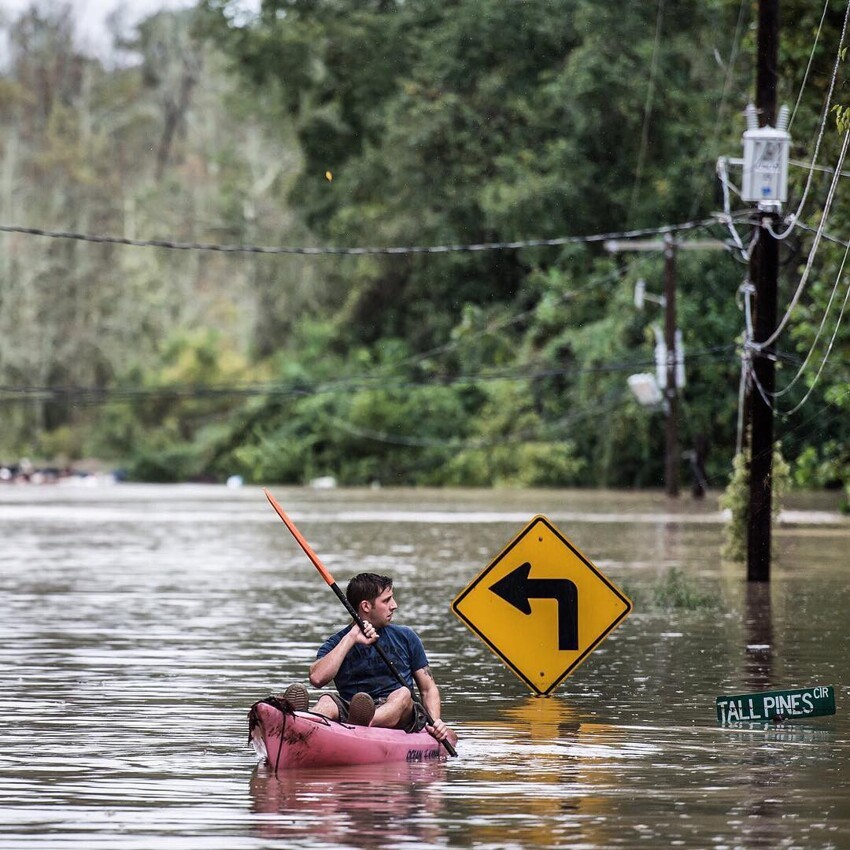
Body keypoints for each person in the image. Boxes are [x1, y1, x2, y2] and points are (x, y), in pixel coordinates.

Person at [281, 572, 455, 744]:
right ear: (365, 606)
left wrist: (436, 721)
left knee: (403, 693)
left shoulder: (406, 636)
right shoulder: (337, 642)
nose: (394, 605)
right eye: (386, 600)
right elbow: (317, 678)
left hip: (401, 714)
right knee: (327, 701)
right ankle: (299, 719)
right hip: (355, 707)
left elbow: (428, 689)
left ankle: (363, 723)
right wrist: (351, 638)